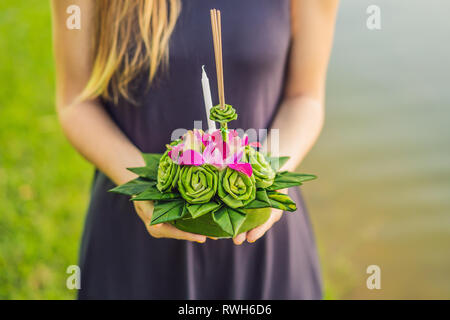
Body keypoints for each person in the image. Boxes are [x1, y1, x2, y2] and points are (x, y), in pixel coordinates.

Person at [51, 0, 339, 299]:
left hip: (260, 233)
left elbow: (305, 97)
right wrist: (141, 185)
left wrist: (268, 178)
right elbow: (76, 102)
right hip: (133, 235)